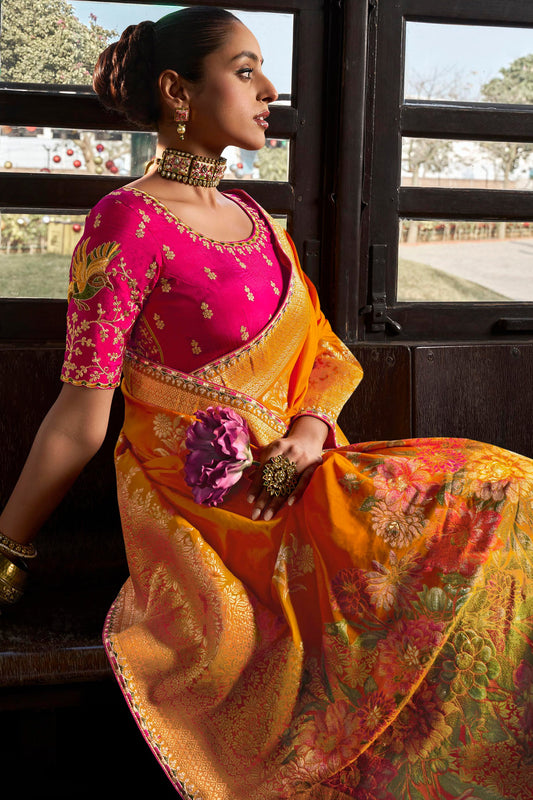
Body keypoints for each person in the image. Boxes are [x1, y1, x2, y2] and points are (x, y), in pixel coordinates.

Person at [0, 7, 532, 799]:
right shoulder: (126, 223)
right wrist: (9, 550)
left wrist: (308, 435)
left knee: (500, 488)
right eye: (245, 70)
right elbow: (82, 413)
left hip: (305, 473)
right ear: (179, 91)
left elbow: (320, 351)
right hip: (212, 513)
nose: (270, 90)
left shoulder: (253, 218)